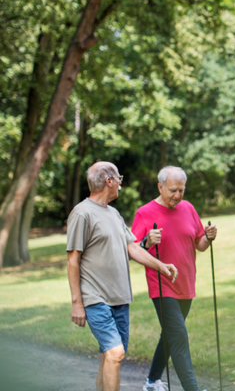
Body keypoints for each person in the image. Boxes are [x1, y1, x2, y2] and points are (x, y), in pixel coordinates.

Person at [67, 162, 178, 391]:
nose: (121, 182)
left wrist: (161, 265)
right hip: (95, 297)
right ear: (109, 181)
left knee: (109, 357)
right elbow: (72, 259)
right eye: (119, 178)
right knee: (115, 354)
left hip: (119, 298)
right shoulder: (82, 212)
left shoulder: (114, 213)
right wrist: (77, 303)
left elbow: (133, 248)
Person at [132, 166, 217, 391]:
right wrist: (147, 242)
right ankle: (192, 388)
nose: (178, 196)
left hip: (186, 284)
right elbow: (133, 250)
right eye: (172, 190)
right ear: (160, 187)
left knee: (170, 334)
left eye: (181, 190)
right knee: (178, 336)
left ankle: (151, 382)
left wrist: (208, 238)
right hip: (161, 285)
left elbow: (199, 245)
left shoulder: (188, 208)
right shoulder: (144, 213)